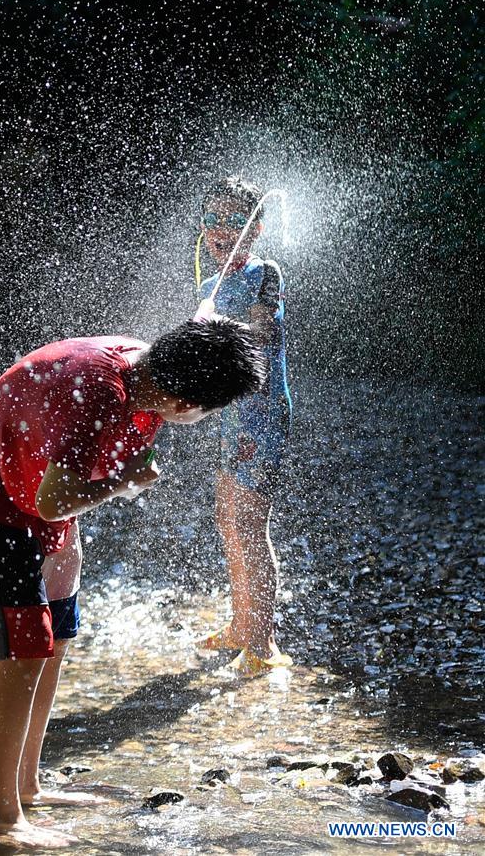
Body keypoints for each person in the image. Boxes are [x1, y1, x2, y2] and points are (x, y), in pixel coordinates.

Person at [0, 319, 266, 849]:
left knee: (57, 634)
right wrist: (125, 482)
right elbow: (54, 500)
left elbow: (58, 493)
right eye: (210, 409)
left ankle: (27, 785)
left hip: (34, 487)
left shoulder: (147, 371)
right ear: (186, 404)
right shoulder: (97, 397)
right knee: (24, 651)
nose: (205, 418)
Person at [195, 176, 293, 677]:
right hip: (228, 416)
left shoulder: (265, 273)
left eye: (235, 221)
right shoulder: (207, 285)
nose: (221, 229)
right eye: (213, 219)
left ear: (254, 229)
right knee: (227, 517)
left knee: (252, 525)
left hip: (263, 416)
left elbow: (261, 332)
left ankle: (264, 643)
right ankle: (241, 623)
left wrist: (213, 324)